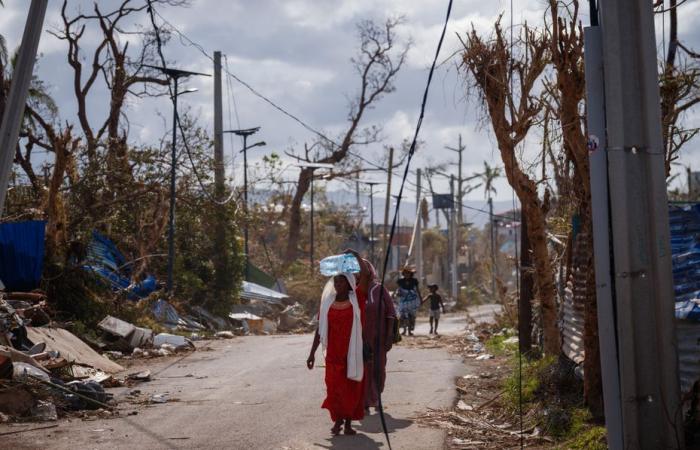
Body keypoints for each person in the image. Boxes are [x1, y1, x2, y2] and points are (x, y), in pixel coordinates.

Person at [307, 273, 365, 436]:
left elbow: (366, 276)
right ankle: (338, 420)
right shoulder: (327, 304)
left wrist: (355, 255)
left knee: (350, 388)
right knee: (334, 388)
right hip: (333, 354)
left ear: (349, 284)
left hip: (352, 353)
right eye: (336, 281)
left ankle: (345, 423)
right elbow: (320, 329)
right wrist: (312, 353)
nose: (338, 284)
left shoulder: (357, 301)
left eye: (341, 281)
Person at [345, 249, 396, 412]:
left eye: (363, 270)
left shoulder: (380, 289)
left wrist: (389, 336)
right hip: (360, 339)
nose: (361, 274)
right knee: (364, 369)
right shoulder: (352, 292)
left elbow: (391, 314)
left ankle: (377, 397)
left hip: (380, 339)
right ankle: (366, 401)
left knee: (379, 369)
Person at [396, 266, 422, 336]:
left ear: (411, 274)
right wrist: (397, 294)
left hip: (413, 300)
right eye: (405, 273)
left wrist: (420, 298)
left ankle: (410, 330)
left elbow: (417, 290)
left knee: (411, 316)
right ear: (403, 274)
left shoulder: (414, 281)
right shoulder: (400, 281)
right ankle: (404, 330)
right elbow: (398, 290)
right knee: (403, 316)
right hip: (403, 300)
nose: (407, 274)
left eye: (408, 273)